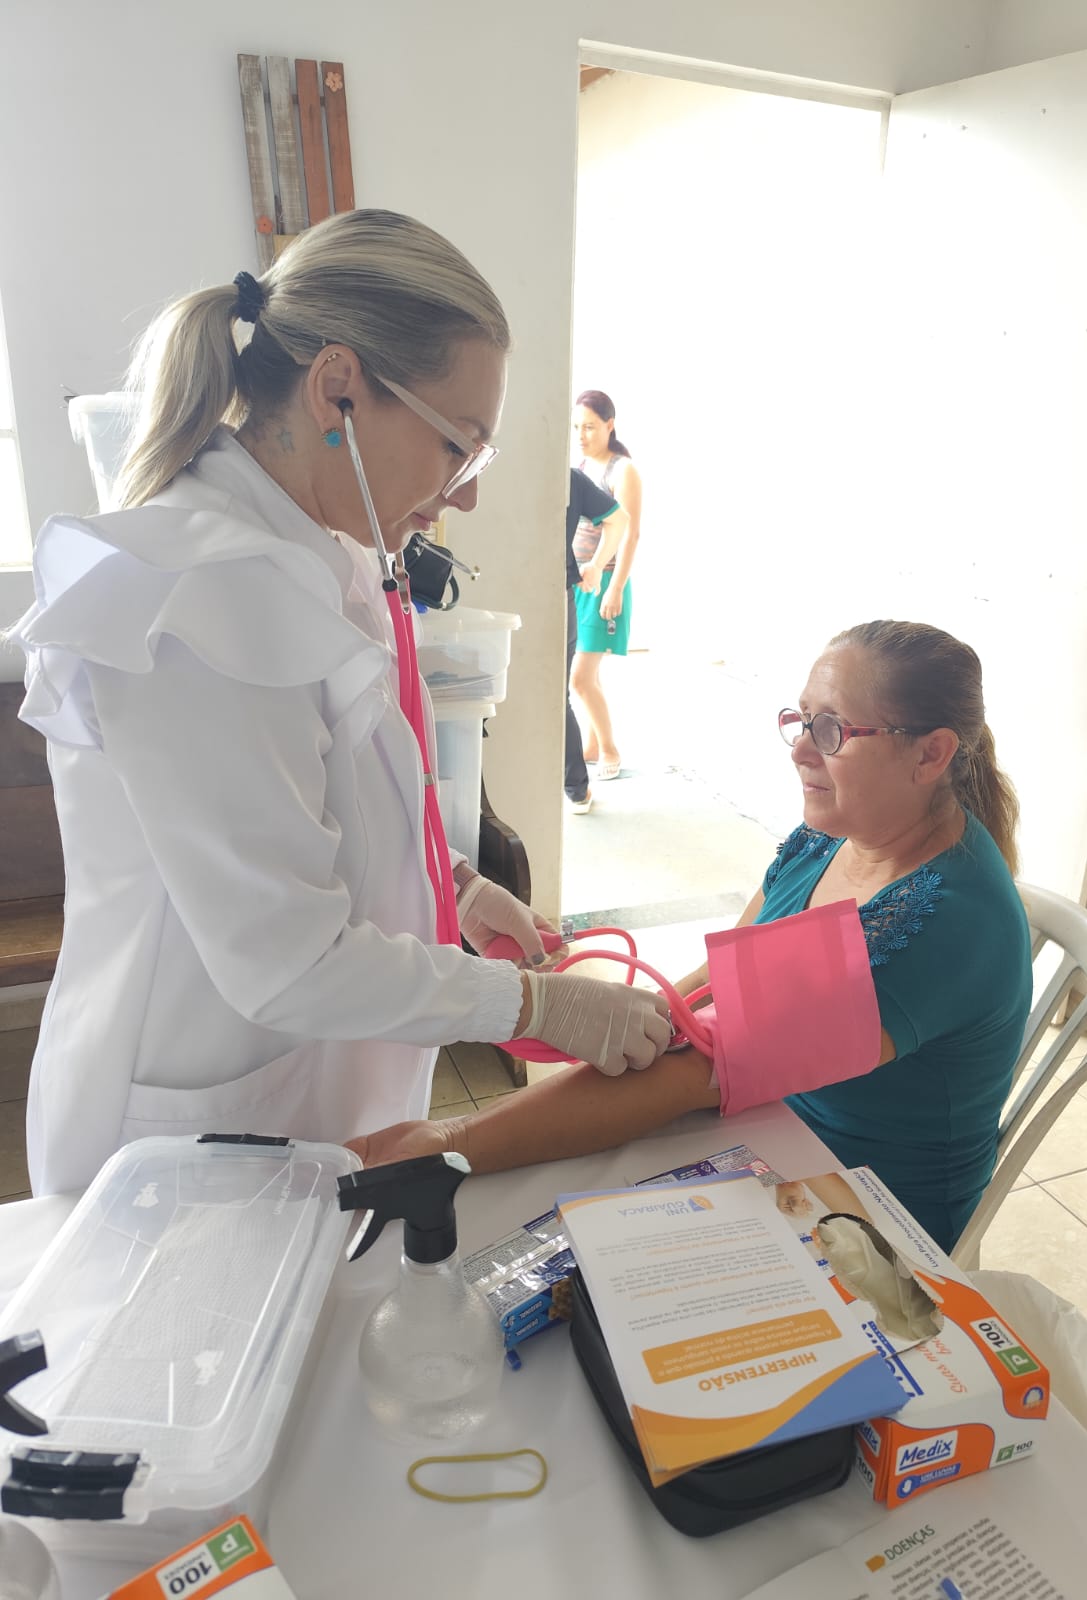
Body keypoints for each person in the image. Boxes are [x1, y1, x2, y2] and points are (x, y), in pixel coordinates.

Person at [9, 209, 671, 1197]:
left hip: (302, 1093)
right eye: (459, 444)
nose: (466, 493)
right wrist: (537, 1007)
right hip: (193, 1129)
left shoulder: (324, 556)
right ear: (337, 389)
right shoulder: (199, 597)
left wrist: (456, 885)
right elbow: (286, 960)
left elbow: (323, 802)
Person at [350, 620, 1034, 1254]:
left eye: (831, 730)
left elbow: (697, 1069)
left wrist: (451, 1138)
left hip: (869, 1211)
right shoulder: (832, 839)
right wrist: (633, 1017)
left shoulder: (943, 921)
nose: (800, 749)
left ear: (930, 754)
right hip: (770, 1133)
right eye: (800, 720)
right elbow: (715, 997)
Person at [570, 390, 641, 782]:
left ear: (609, 425)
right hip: (582, 583)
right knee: (588, 674)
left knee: (580, 678)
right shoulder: (581, 466)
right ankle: (593, 745)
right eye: (577, 427)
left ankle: (610, 749)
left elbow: (630, 534)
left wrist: (615, 587)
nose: (581, 435)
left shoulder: (623, 470)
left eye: (590, 427)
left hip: (606, 581)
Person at [563, 466, 626, 815]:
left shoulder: (615, 471)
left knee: (573, 685)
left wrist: (601, 571)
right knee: (565, 691)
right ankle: (577, 787)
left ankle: (582, 781)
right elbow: (618, 520)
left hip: (568, 593)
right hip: (564, 593)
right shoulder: (574, 475)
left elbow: (623, 522)